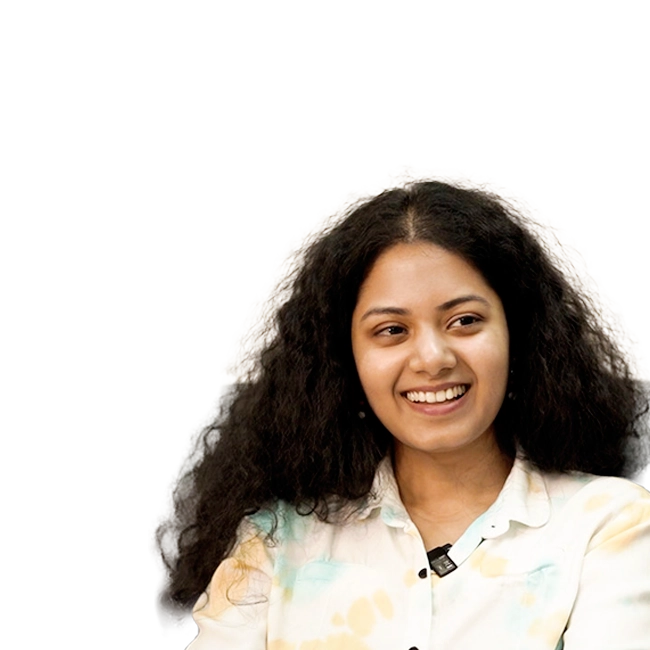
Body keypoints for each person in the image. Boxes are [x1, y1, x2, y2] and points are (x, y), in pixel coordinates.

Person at [165, 179, 650, 649]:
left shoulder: (609, 526)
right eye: (392, 330)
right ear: (344, 362)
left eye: (465, 321)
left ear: (519, 339)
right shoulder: (275, 539)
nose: (432, 358)